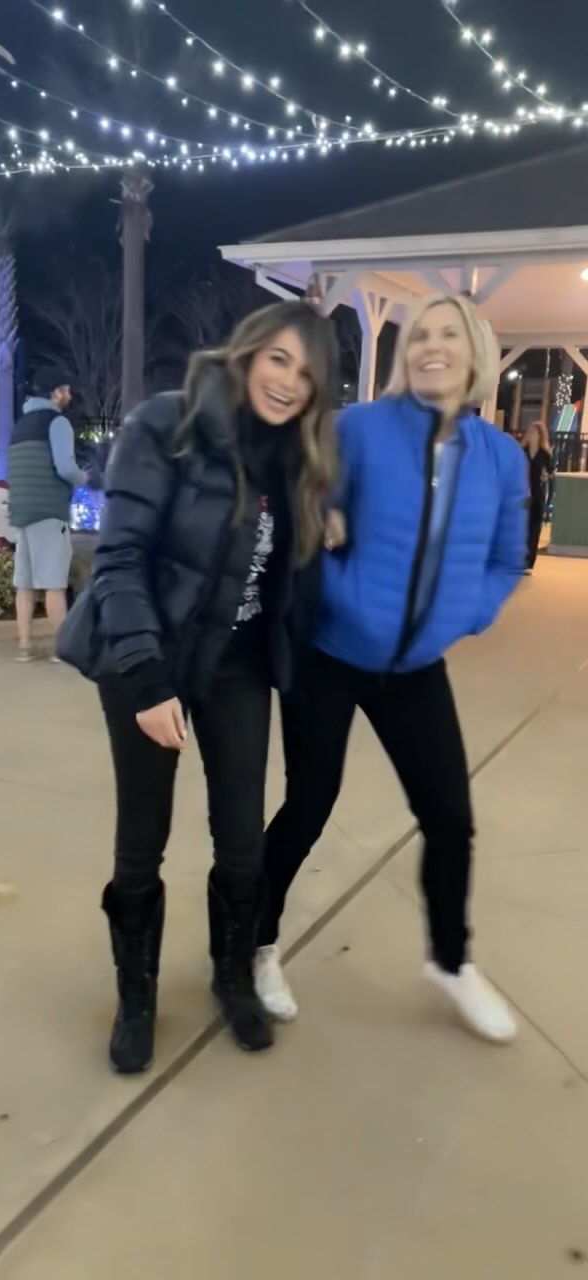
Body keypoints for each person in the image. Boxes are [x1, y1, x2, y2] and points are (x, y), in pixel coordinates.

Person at [255, 294, 528, 1045]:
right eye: (418, 335)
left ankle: (451, 960)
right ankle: (255, 940)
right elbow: (304, 511)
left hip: (416, 666)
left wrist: (466, 613)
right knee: (309, 804)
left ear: (475, 354)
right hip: (333, 652)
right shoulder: (360, 430)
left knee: (450, 818)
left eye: (448, 335)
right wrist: (333, 545)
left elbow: (507, 559)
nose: (429, 346)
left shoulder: (500, 458)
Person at [91, 301, 339, 1074]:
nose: (288, 382)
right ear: (247, 351)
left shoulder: (298, 458)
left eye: (307, 374)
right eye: (278, 359)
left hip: (238, 667)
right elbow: (118, 560)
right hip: (151, 659)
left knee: (240, 840)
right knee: (142, 840)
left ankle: (231, 978)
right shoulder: (165, 423)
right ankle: (136, 997)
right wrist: (146, 679)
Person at [8, 367, 87, 661]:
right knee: (54, 584)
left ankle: (25, 647)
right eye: (65, 390)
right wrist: (84, 478)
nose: (69, 395)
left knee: (25, 584)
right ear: (55, 393)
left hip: (22, 511)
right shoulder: (57, 422)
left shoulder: (20, 426)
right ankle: (61, 649)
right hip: (49, 511)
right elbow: (65, 467)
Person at [522, 419, 553, 572]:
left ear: (541, 436)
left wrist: (546, 476)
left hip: (537, 494)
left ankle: (529, 562)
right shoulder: (522, 451)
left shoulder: (544, 454)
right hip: (522, 494)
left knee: (534, 527)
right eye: (532, 432)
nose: (534, 435)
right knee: (522, 527)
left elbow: (551, 472)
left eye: (537, 433)